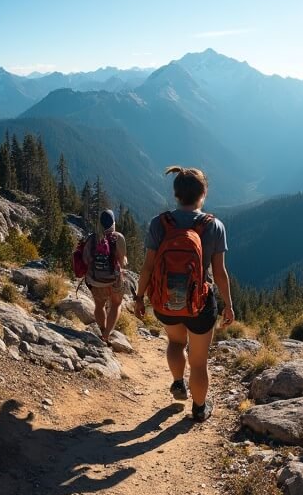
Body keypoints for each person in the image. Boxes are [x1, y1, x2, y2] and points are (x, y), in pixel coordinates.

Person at [134, 166, 234, 421]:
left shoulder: (160, 224)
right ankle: (199, 409)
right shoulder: (215, 227)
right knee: (199, 362)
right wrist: (228, 305)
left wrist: (139, 297)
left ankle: (178, 382)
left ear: (176, 194)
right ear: (204, 193)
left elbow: (147, 267)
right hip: (200, 303)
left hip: (166, 300)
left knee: (176, 343)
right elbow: (219, 273)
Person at [84, 209, 127, 345]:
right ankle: (106, 335)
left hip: (96, 280)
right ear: (113, 223)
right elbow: (121, 261)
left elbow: (86, 260)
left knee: (99, 305)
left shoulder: (92, 238)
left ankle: (102, 329)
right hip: (114, 280)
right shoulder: (118, 237)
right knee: (116, 304)